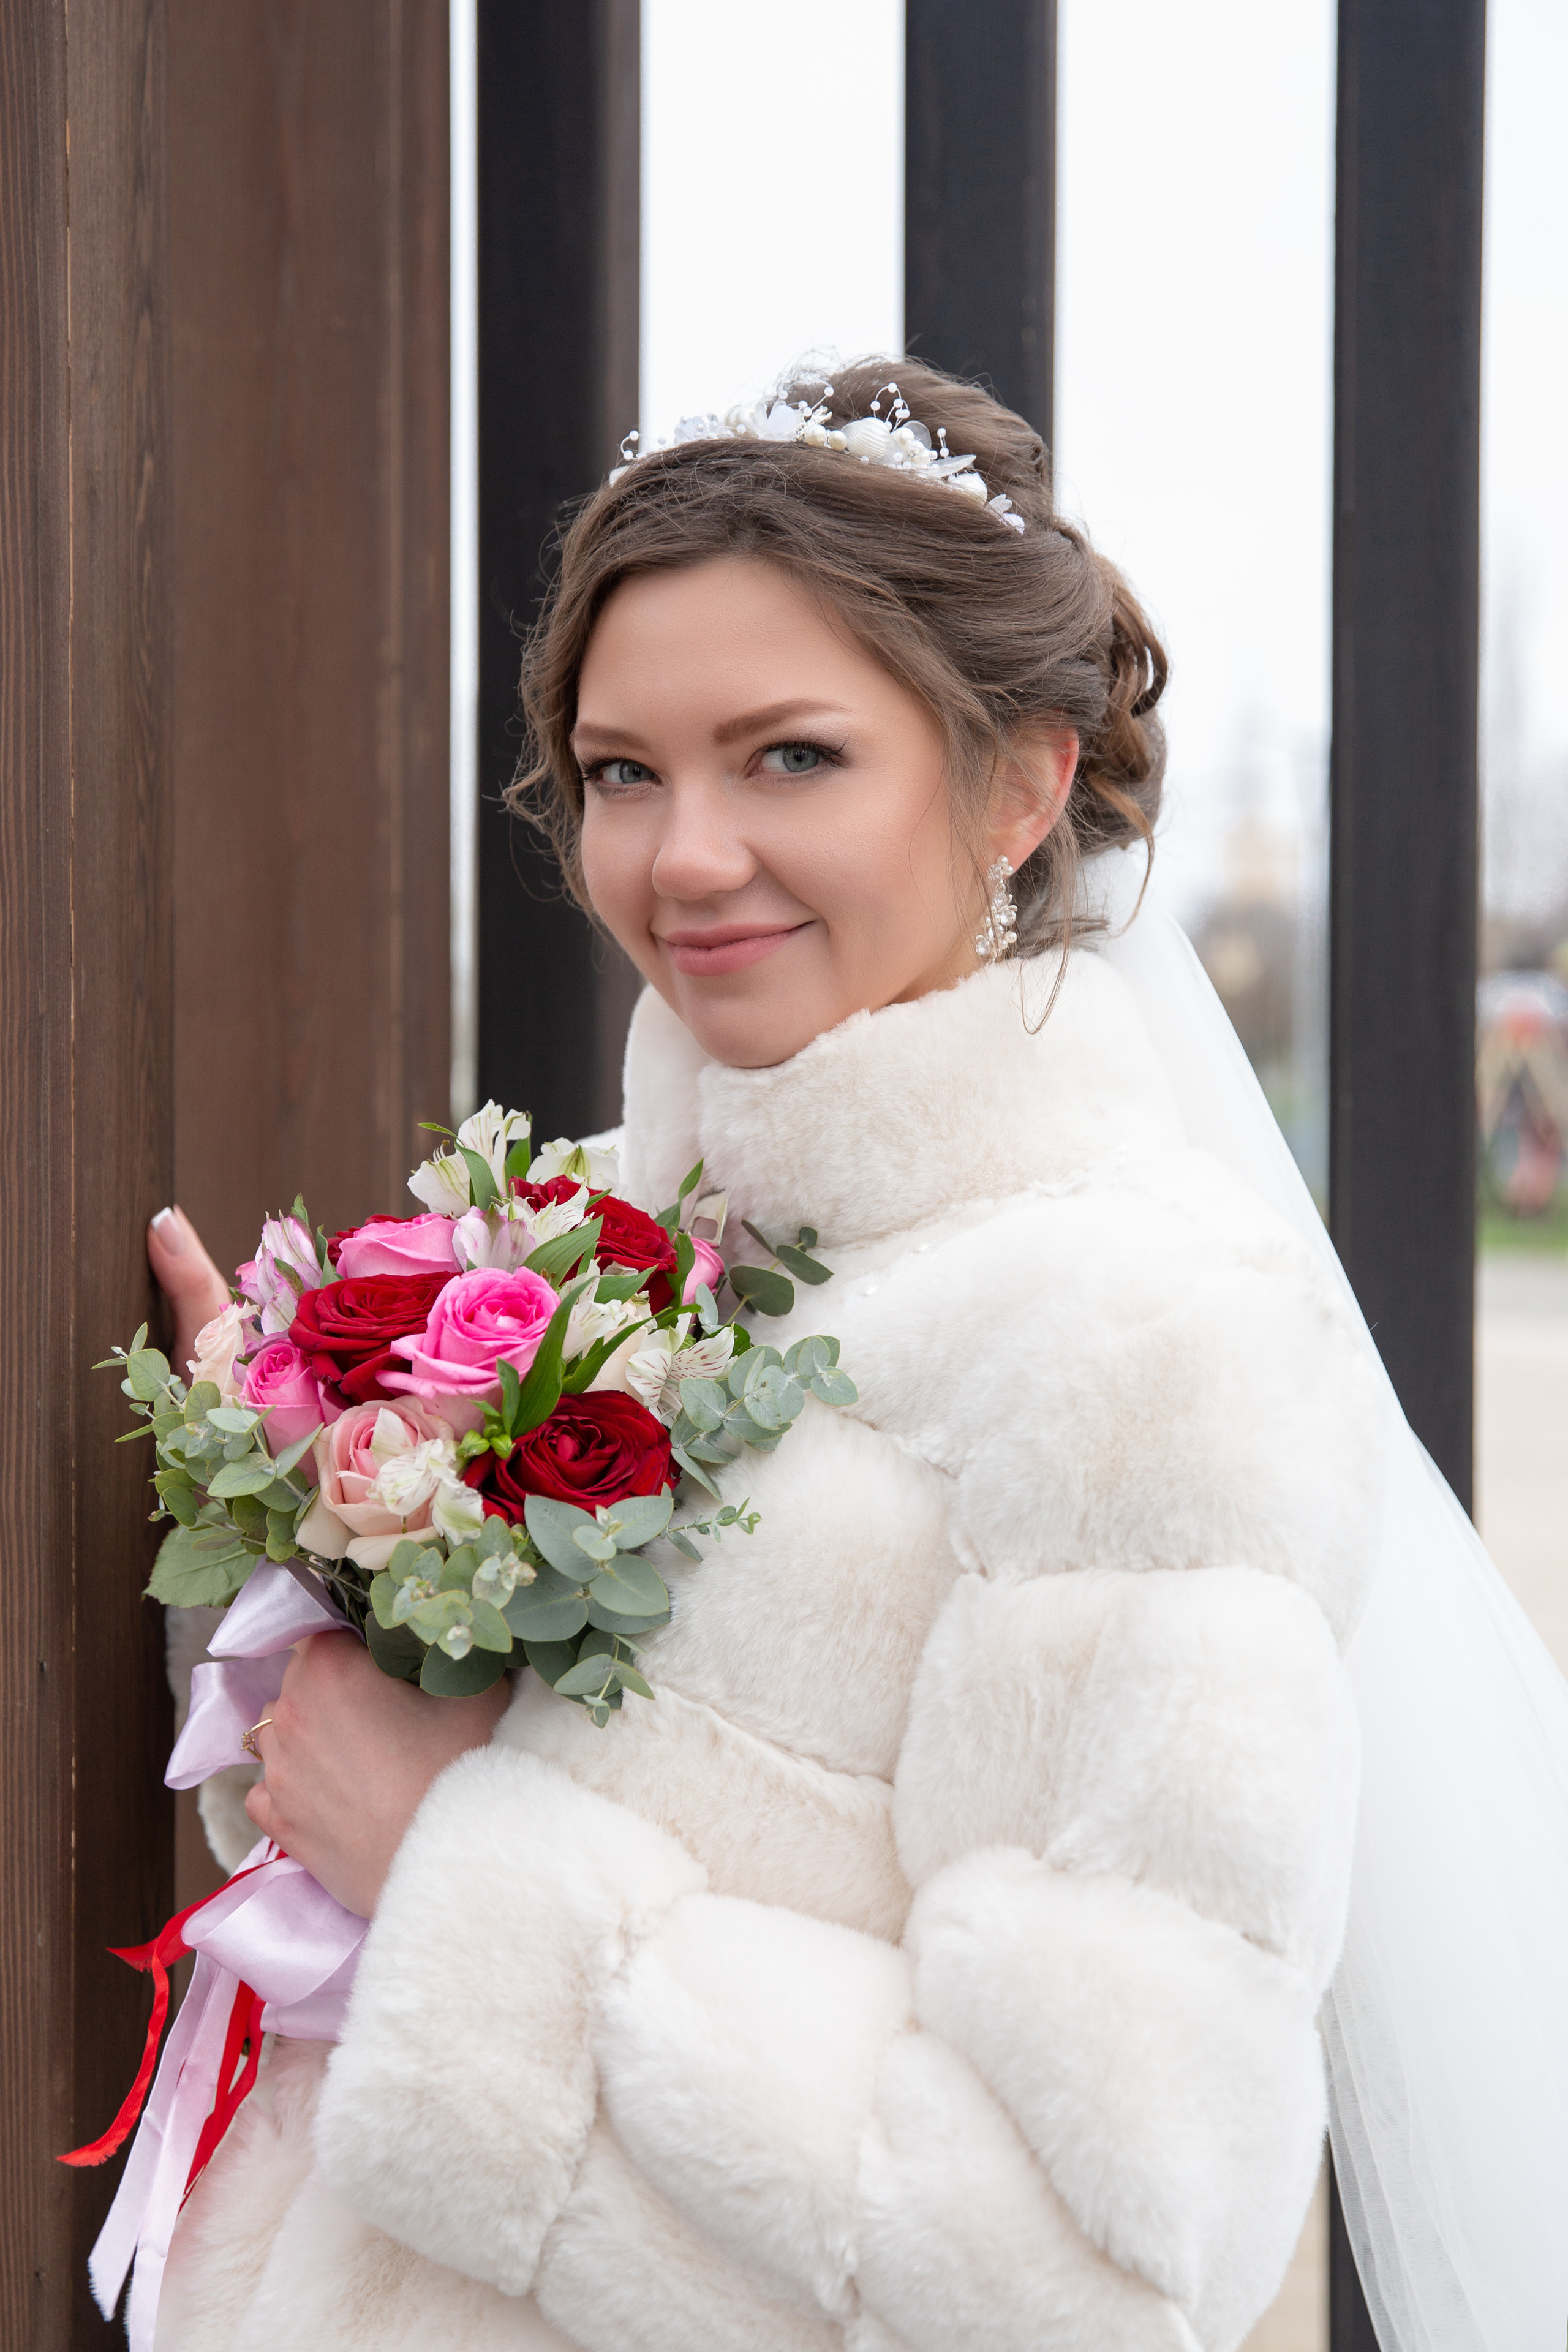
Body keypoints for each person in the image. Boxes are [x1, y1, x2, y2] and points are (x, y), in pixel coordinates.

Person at [147, 358, 1386, 2351]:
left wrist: (463, 1876)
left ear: (1021, 781)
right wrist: (292, 1512)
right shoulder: (556, 1240)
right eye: (626, 771)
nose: (686, 857)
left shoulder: (1145, 1349)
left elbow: (1094, 2269)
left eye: (791, 758)